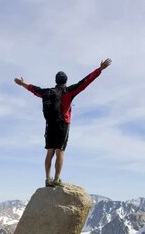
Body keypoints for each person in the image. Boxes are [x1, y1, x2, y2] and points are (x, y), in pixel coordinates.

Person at [14, 58, 112, 187]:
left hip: (50, 125)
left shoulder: (46, 93)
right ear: (65, 81)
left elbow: (33, 89)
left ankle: (47, 179)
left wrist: (22, 84)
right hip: (62, 124)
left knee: (50, 152)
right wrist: (99, 69)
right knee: (60, 151)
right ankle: (56, 179)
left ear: (55, 81)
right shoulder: (69, 91)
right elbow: (85, 81)